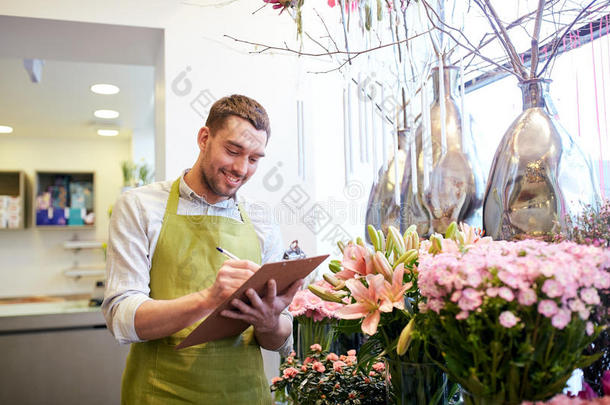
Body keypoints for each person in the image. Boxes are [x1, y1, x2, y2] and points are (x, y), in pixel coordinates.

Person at [102, 94, 302, 404]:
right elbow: (121, 318)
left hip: (244, 395)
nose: (241, 168)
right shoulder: (140, 207)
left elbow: (280, 343)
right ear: (204, 138)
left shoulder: (262, 221)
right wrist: (208, 299)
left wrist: (269, 321)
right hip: (160, 393)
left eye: (254, 159)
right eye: (233, 150)